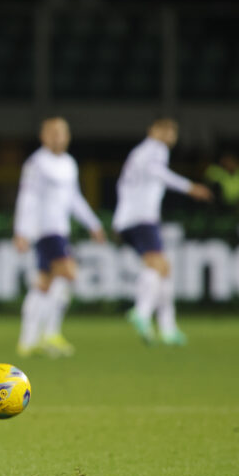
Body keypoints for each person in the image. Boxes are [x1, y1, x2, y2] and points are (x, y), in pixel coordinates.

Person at [113, 119, 211, 345]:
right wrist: (190, 187)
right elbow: (158, 173)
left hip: (130, 218)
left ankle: (167, 328)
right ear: (152, 131)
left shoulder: (137, 152)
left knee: (163, 269)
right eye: (164, 130)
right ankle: (142, 312)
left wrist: (120, 216)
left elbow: (123, 184)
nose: (169, 135)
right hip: (142, 217)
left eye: (172, 132)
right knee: (159, 267)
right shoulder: (156, 150)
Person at [13, 117, 105, 358]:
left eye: (62, 132)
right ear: (43, 136)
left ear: (68, 136)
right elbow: (27, 197)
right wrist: (22, 230)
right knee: (68, 274)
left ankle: (28, 340)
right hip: (45, 229)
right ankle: (50, 333)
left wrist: (93, 223)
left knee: (44, 284)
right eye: (52, 133)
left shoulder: (69, 163)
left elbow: (74, 198)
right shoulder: (37, 163)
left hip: (60, 230)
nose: (57, 137)